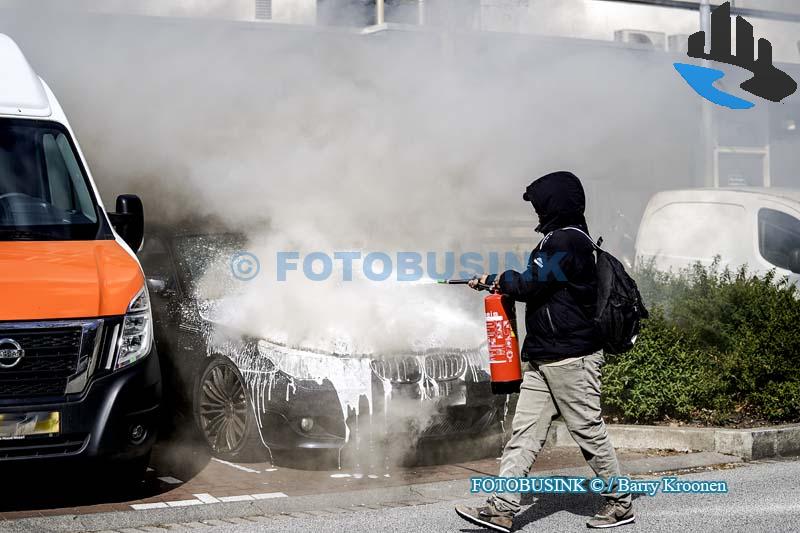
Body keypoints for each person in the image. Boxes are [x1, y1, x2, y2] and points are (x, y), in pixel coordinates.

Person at [454, 171, 633, 532]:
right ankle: (503, 507)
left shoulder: (568, 241)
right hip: (545, 356)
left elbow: (530, 284)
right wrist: (498, 281)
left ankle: (620, 502)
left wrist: (498, 280)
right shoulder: (559, 239)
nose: (536, 213)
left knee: (586, 429)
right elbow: (535, 285)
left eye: (540, 205)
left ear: (555, 204)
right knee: (524, 433)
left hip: (572, 358)